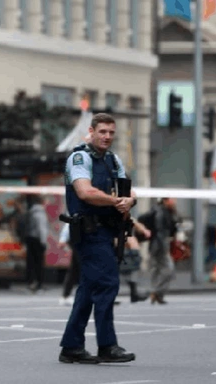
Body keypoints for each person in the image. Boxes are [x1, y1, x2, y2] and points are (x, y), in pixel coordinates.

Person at [58, 113, 137, 364]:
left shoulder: (113, 160)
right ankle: (107, 345)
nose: (107, 137)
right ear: (91, 131)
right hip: (89, 230)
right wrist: (116, 201)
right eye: (102, 132)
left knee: (89, 288)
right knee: (107, 284)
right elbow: (85, 192)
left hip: (106, 230)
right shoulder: (79, 158)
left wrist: (130, 200)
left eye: (111, 133)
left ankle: (71, 347)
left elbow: (128, 189)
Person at [24, 195, 48, 293]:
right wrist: (44, 241)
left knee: (31, 262)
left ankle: (31, 282)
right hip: (37, 240)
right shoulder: (40, 213)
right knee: (39, 263)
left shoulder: (31, 212)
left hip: (30, 238)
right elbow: (42, 228)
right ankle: (39, 283)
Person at [57, 223, 77, 306]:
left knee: (76, 269)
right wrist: (63, 239)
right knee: (75, 269)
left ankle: (66, 295)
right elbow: (69, 224)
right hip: (79, 241)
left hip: (82, 240)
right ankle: (66, 295)